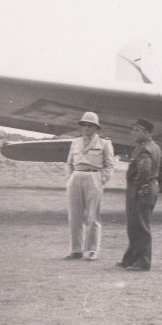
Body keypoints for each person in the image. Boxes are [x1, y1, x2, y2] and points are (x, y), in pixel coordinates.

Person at [64, 111, 115, 261]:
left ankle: (92, 250)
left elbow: (110, 165)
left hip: (94, 176)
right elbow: (68, 163)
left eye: (90, 126)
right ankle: (76, 250)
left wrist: (101, 179)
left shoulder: (104, 143)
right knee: (75, 215)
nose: (86, 128)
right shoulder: (75, 142)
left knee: (92, 215)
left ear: (96, 128)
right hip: (77, 175)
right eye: (84, 125)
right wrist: (70, 178)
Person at [117, 118, 162, 272]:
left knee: (139, 225)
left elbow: (144, 170)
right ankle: (130, 259)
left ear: (147, 132)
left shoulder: (144, 149)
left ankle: (142, 261)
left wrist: (139, 186)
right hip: (148, 187)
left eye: (137, 130)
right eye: (133, 130)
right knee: (136, 225)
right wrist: (155, 182)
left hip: (140, 189)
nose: (133, 133)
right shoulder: (154, 147)